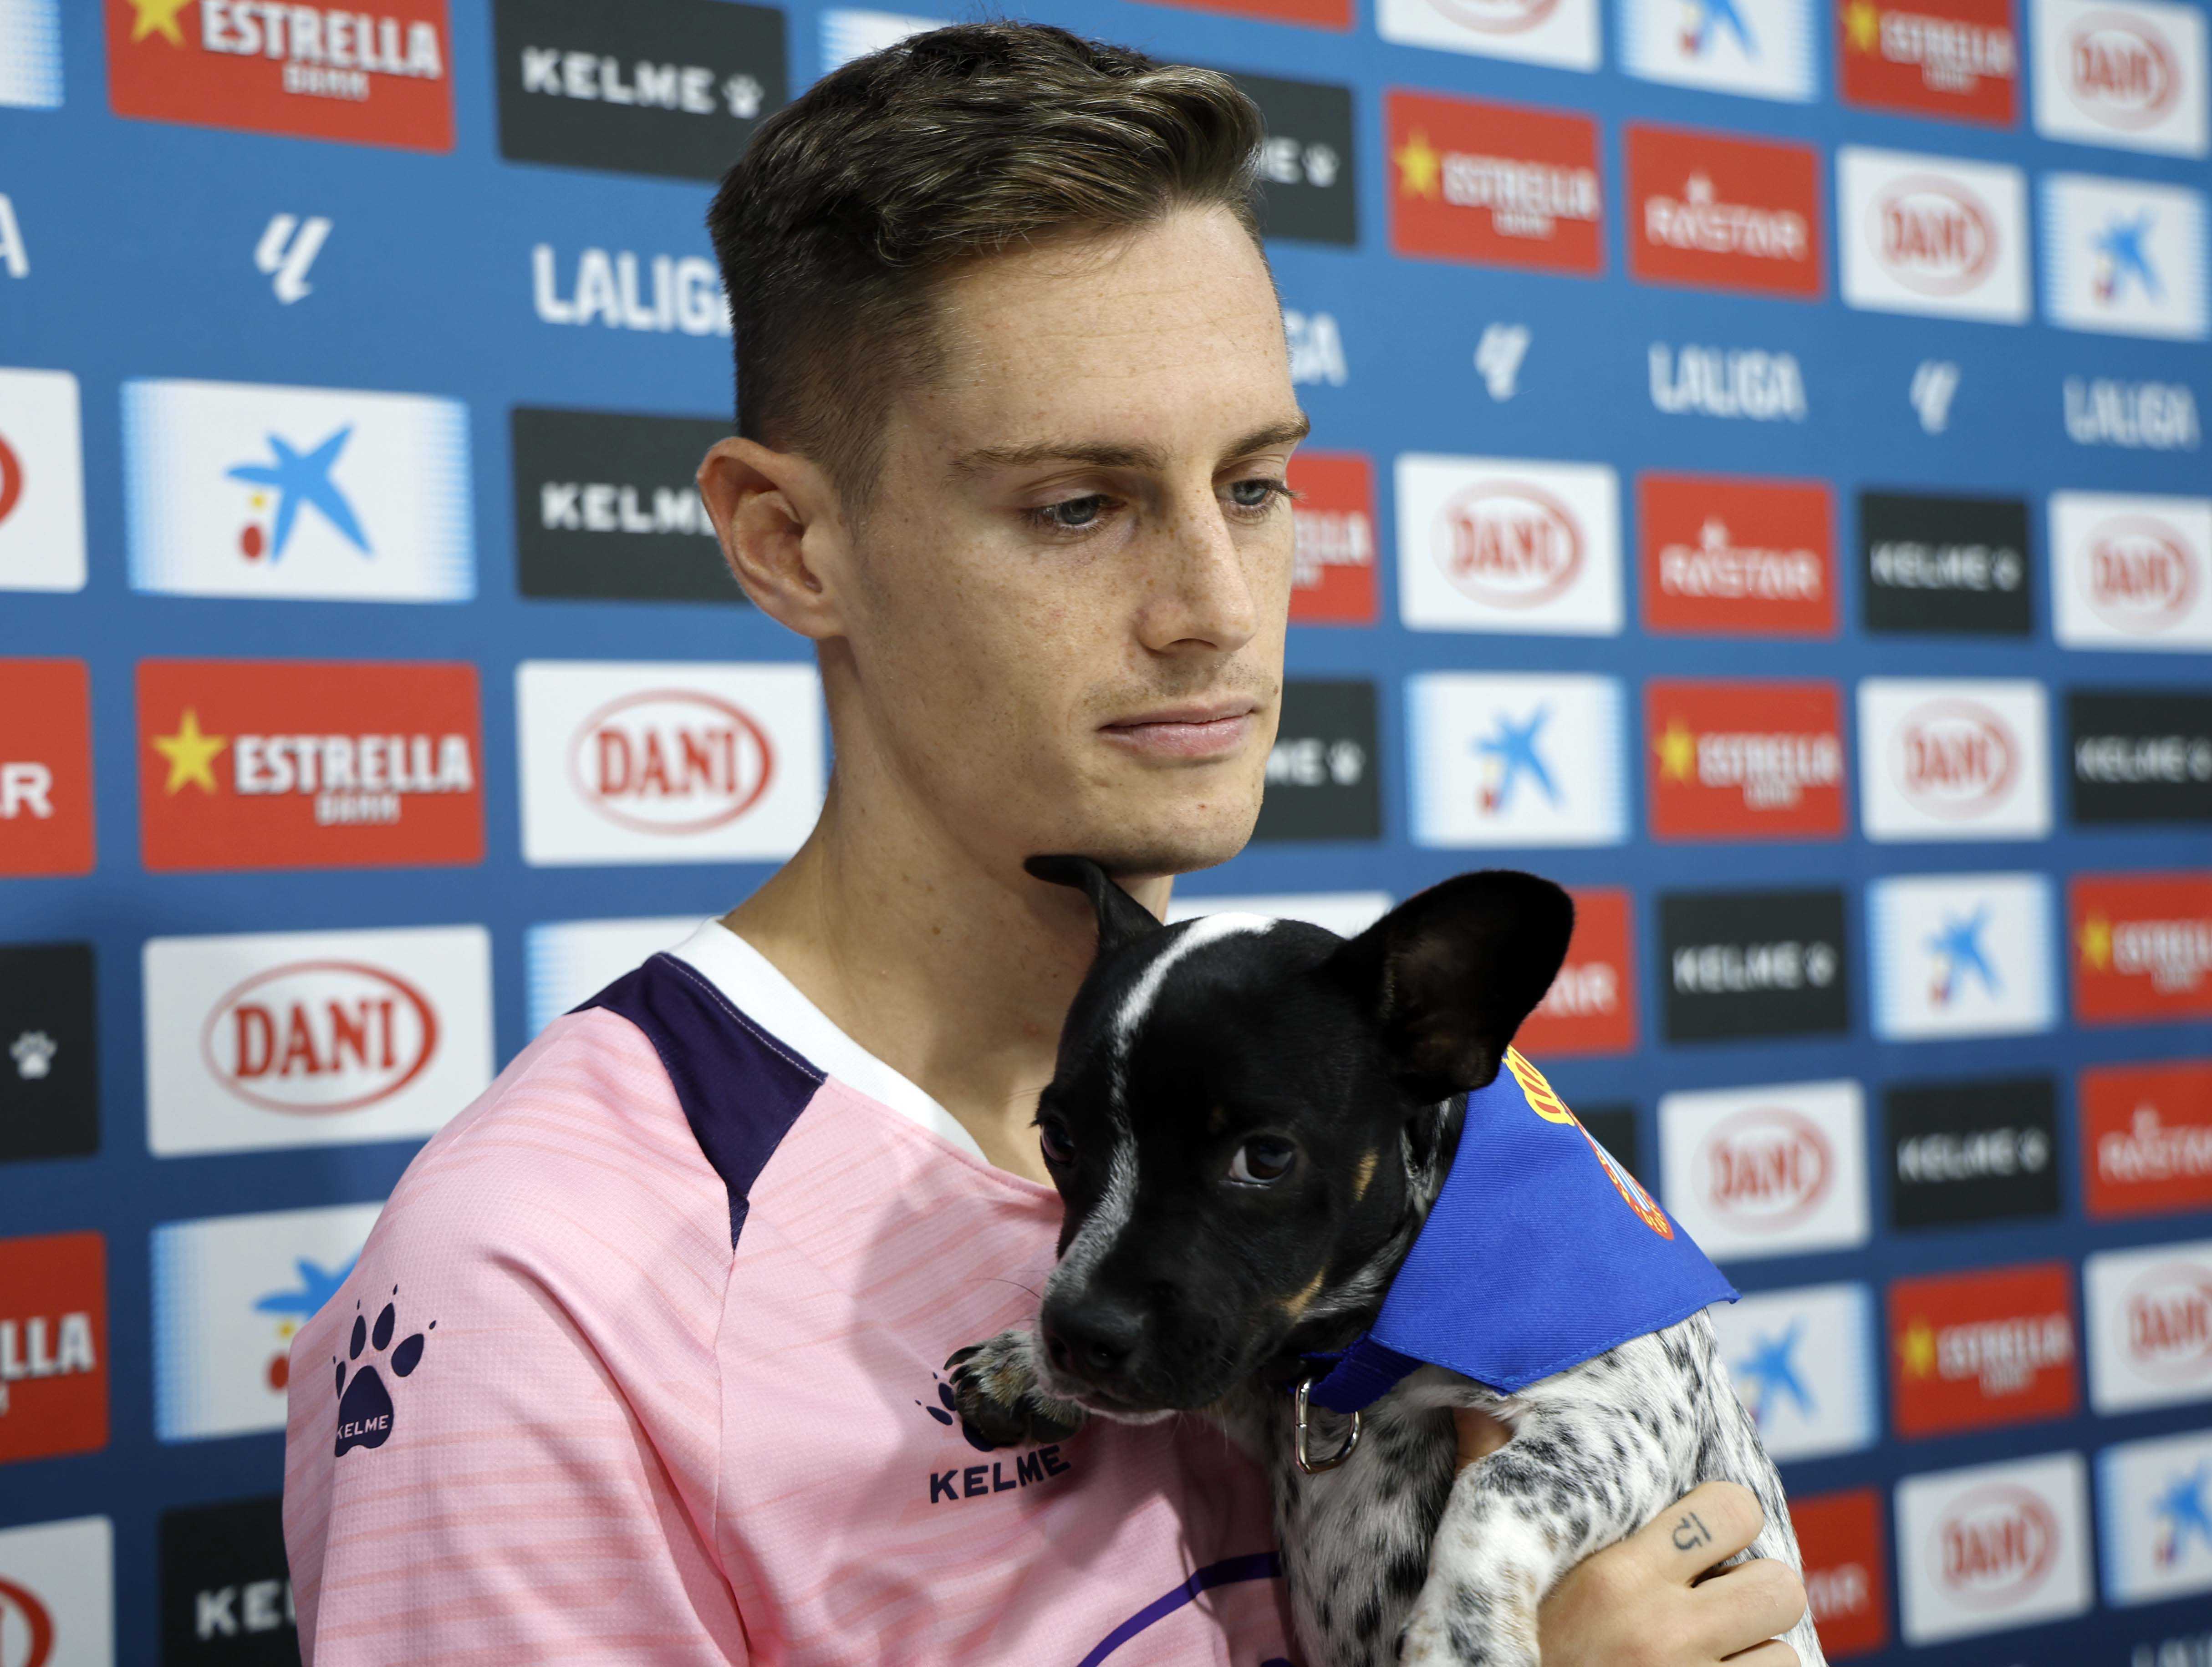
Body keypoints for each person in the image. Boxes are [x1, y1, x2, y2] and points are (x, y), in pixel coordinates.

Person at [281, 23, 1810, 1664]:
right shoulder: (546, 1282)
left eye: (1253, 485)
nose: (1213, 612)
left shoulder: (1406, 1119)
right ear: (788, 544)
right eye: (1078, 505)